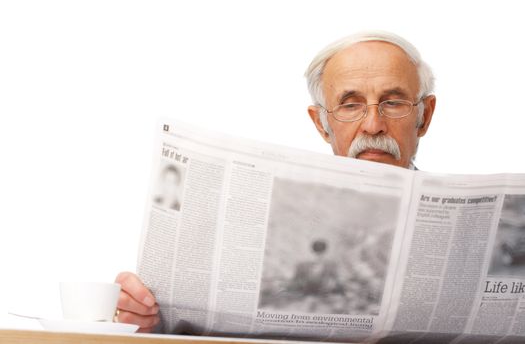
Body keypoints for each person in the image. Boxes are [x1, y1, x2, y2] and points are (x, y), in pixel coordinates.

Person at [114, 30, 437, 332]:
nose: (373, 124)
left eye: (393, 102)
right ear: (322, 124)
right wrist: (148, 320)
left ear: (425, 115)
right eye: (350, 105)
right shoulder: (260, 222)